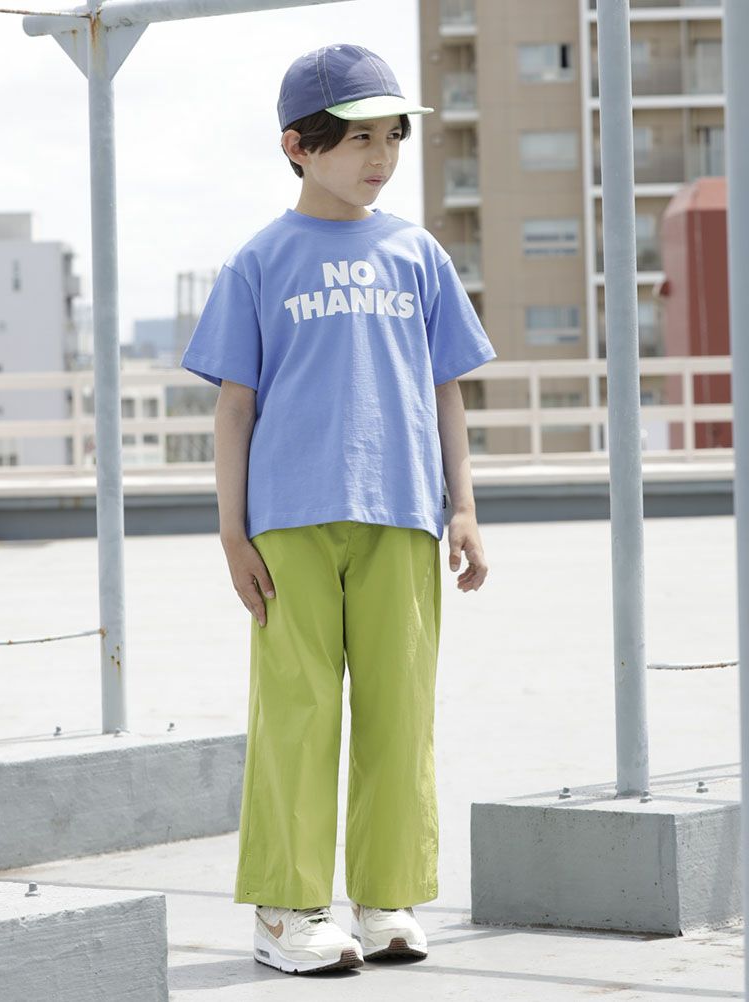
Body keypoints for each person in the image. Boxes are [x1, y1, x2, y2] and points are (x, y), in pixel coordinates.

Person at [180, 42, 496, 976]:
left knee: (401, 714)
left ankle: (388, 897)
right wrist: (231, 533)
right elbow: (234, 408)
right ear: (298, 146)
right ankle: (287, 911)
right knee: (299, 713)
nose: (381, 156)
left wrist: (465, 507)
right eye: (358, 138)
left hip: (403, 515)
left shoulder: (418, 254)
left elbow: (445, 389)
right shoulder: (258, 262)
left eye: (392, 136)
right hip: (287, 522)